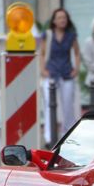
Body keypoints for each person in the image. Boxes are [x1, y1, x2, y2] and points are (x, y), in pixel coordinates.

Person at [39, 8, 81, 146]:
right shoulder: (48, 35)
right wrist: (42, 70)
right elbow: (42, 52)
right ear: (54, 20)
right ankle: (49, 137)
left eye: (64, 18)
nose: (62, 20)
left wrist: (77, 68)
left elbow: (76, 52)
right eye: (59, 18)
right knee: (49, 106)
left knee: (68, 104)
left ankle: (67, 134)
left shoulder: (71, 35)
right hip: (51, 72)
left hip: (66, 72)